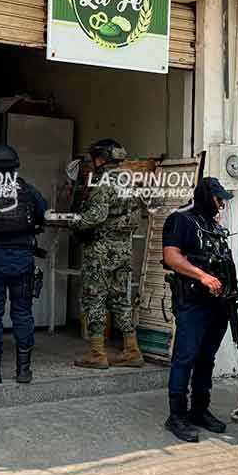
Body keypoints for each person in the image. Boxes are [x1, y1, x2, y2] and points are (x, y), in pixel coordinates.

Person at [161, 177, 237, 443]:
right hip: (192, 302)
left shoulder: (212, 224)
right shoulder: (180, 219)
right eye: (219, 199)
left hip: (218, 303)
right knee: (186, 357)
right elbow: (171, 257)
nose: (222, 205)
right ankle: (177, 415)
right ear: (206, 196)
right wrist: (201, 276)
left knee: (207, 359)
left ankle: (200, 409)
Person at [0, 144, 48, 384]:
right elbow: (43, 216)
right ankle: (24, 371)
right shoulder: (29, 191)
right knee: (22, 313)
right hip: (22, 260)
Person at [70, 139, 145, 369]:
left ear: (100, 159)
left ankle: (97, 353)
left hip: (101, 250)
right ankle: (132, 350)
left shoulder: (103, 182)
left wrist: (73, 221)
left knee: (94, 298)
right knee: (120, 298)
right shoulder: (129, 181)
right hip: (123, 249)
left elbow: (96, 216)